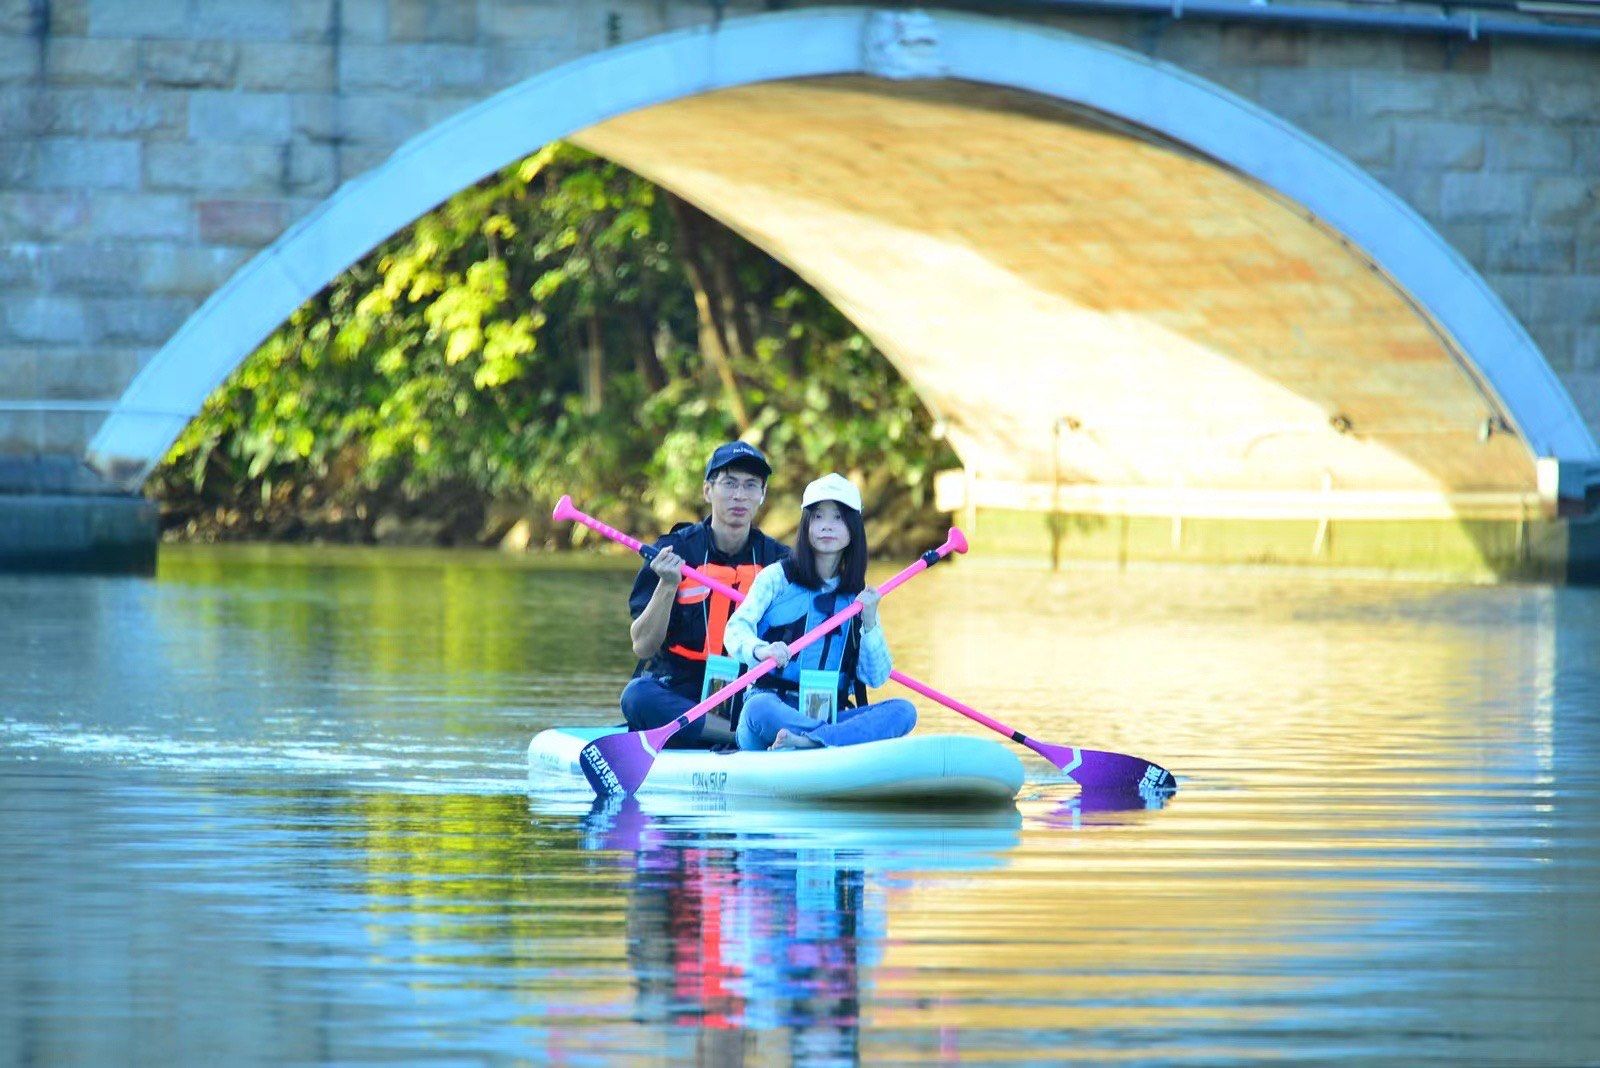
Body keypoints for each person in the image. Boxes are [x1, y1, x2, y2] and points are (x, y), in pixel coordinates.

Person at [723, 473, 917, 751]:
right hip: (773, 712)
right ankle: (830, 739)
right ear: (806, 525)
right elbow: (735, 630)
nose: (827, 527)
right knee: (759, 708)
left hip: (829, 712)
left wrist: (870, 621)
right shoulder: (776, 578)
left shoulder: (858, 597)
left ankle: (811, 741)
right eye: (818, 517)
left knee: (904, 711)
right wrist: (760, 650)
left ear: (853, 529)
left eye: (838, 518)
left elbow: (876, 677)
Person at [621, 441, 789, 748]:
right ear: (707, 491)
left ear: (762, 496)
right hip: (680, 692)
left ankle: (736, 729)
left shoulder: (780, 562)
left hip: (748, 692)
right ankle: (738, 737)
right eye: (729, 483)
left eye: (751, 485)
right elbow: (643, 646)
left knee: (778, 702)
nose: (740, 495)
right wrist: (668, 584)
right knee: (637, 696)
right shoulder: (674, 550)